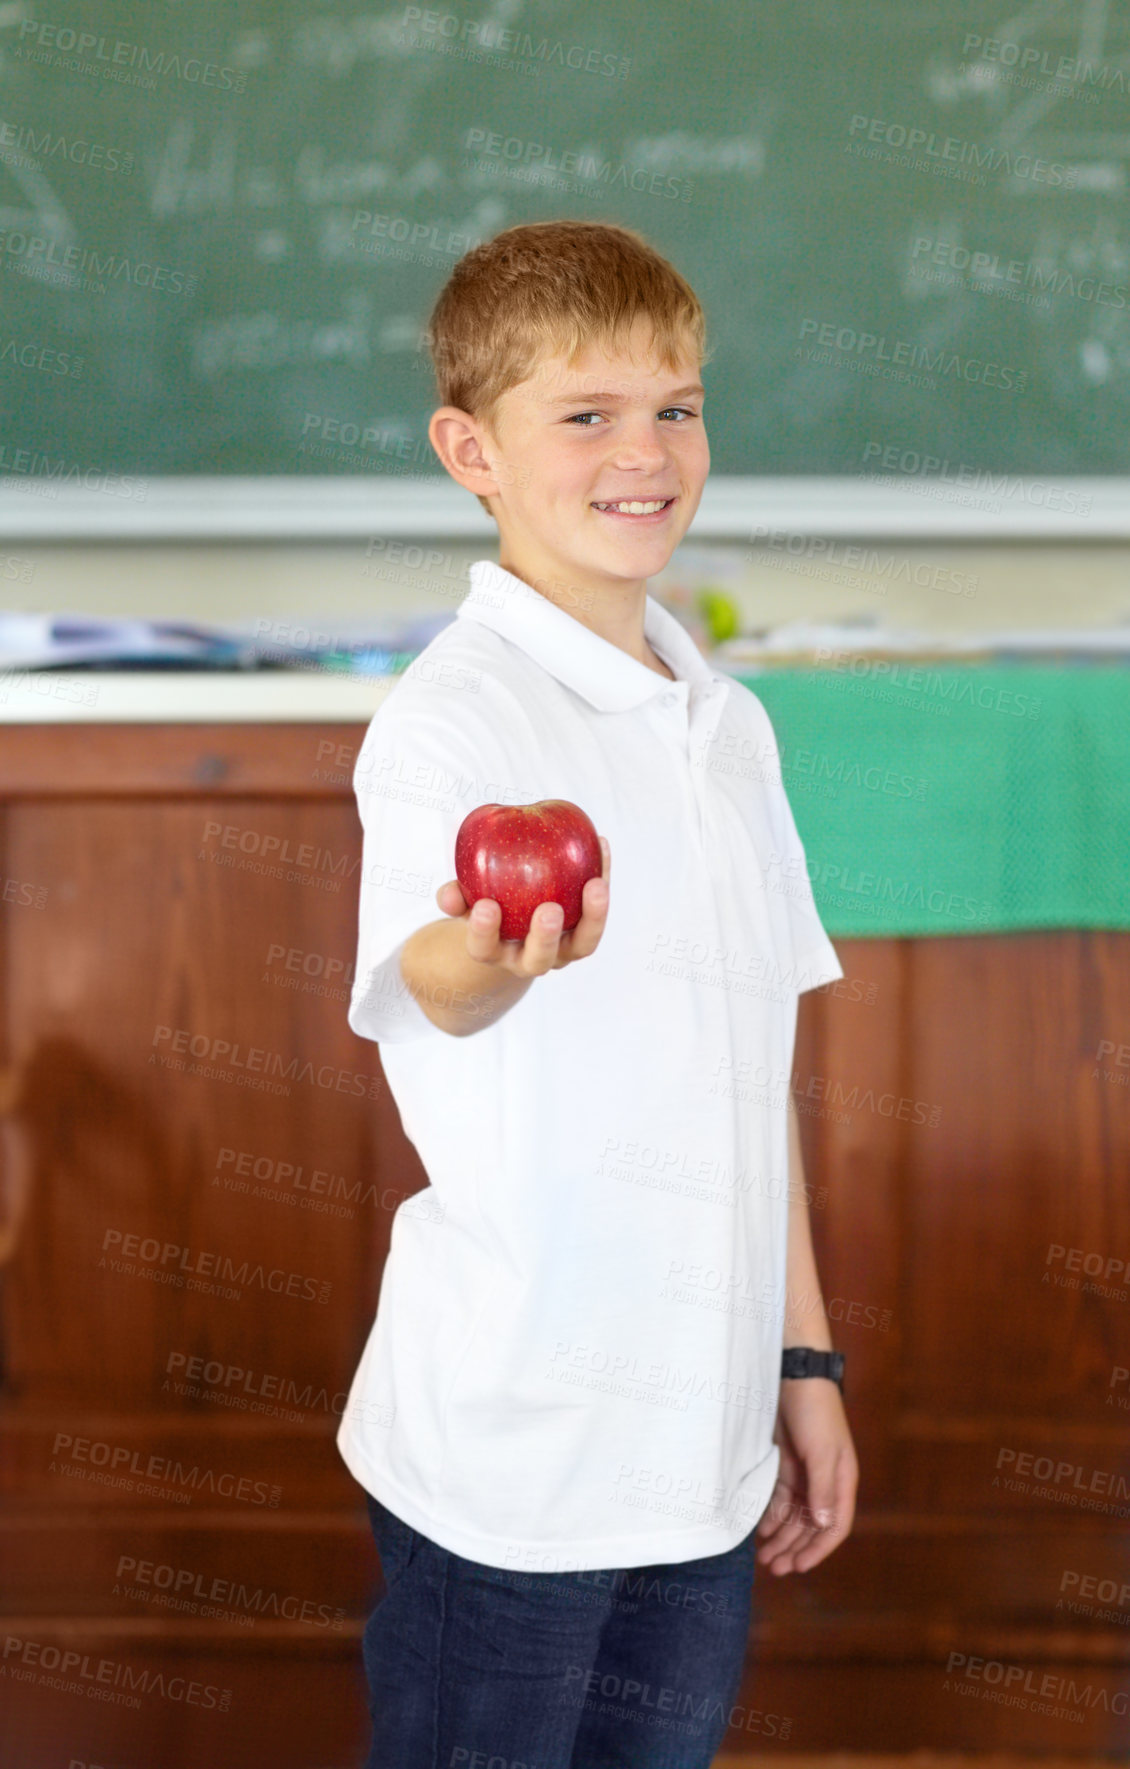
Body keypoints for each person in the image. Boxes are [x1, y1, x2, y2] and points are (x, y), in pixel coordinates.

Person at [338, 219, 859, 1768]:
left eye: (676, 408)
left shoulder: (728, 724)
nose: (646, 454)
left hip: (696, 1457)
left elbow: (749, 1075)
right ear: (468, 448)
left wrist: (801, 1362)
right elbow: (431, 984)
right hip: (512, 1458)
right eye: (585, 415)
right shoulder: (452, 720)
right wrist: (487, 954)